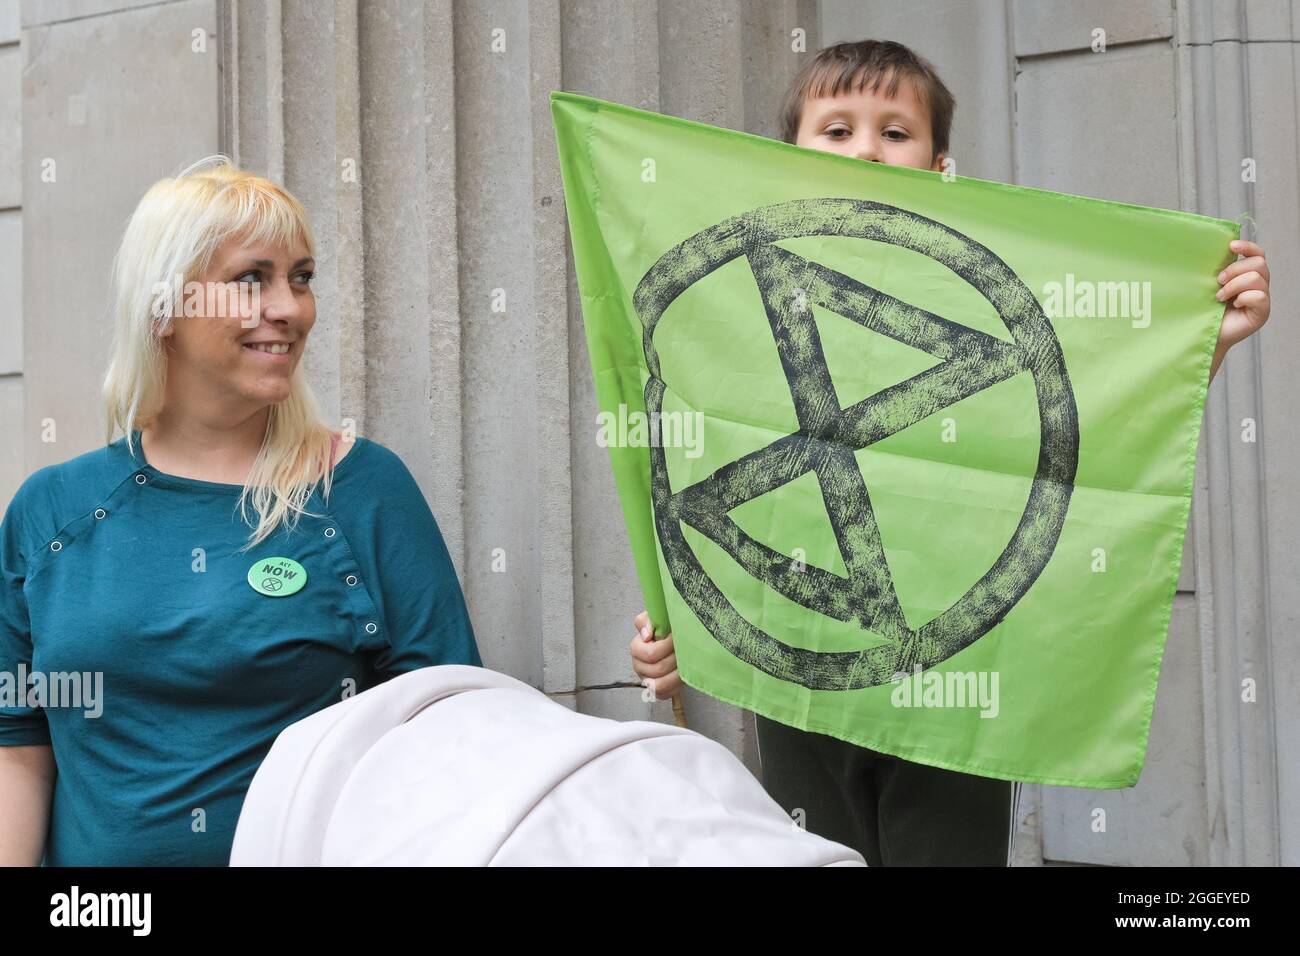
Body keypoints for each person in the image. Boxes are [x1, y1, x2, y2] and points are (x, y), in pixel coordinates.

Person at [630, 39, 1272, 865]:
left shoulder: (995, 292)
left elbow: (1095, 413)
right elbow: (684, 470)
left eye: (894, 132)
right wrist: (674, 619)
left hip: (952, 681)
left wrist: (1201, 343)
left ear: (940, 167)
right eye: (837, 129)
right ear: (783, 159)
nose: (866, 147)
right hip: (800, 680)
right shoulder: (731, 319)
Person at [0, 157, 481, 866]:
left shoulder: (361, 490)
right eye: (250, 279)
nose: (288, 308)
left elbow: (456, 730)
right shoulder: (54, 510)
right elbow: (18, 747)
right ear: (165, 307)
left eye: (302, 278)